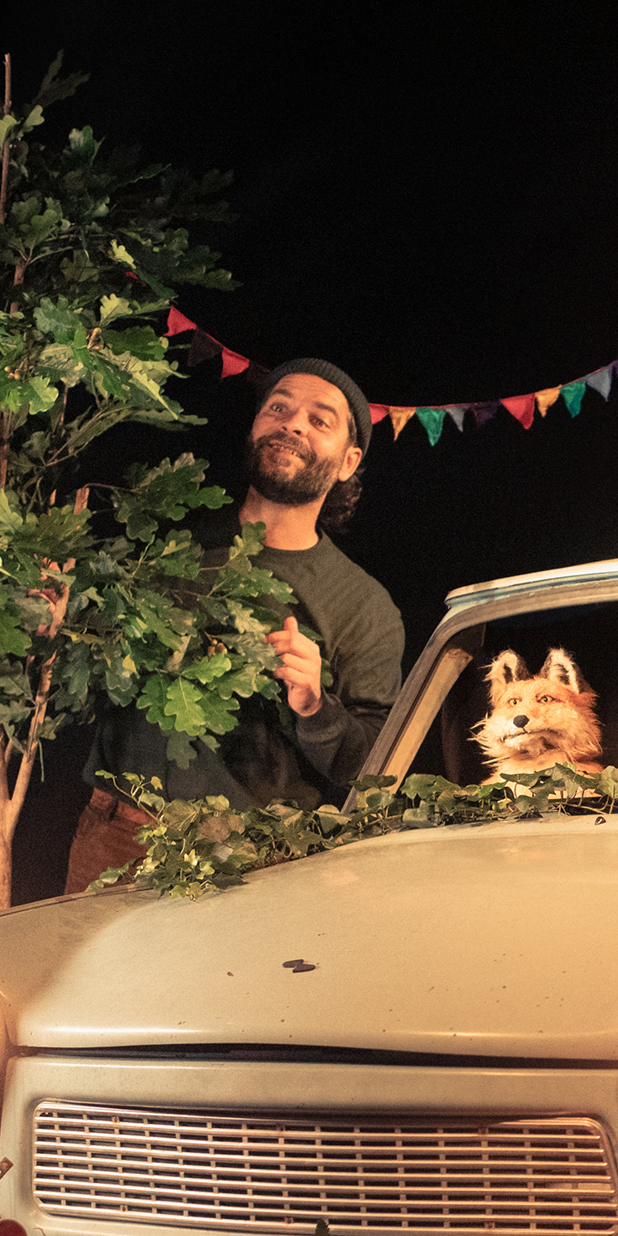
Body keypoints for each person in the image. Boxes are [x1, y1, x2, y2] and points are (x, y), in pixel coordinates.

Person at [67, 358, 407, 893]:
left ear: (348, 462)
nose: (293, 424)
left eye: (319, 420)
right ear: (255, 427)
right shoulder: (166, 544)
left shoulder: (364, 606)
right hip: (122, 837)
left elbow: (371, 767)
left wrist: (314, 706)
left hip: (256, 862)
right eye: (278, 408)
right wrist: (59, 624)